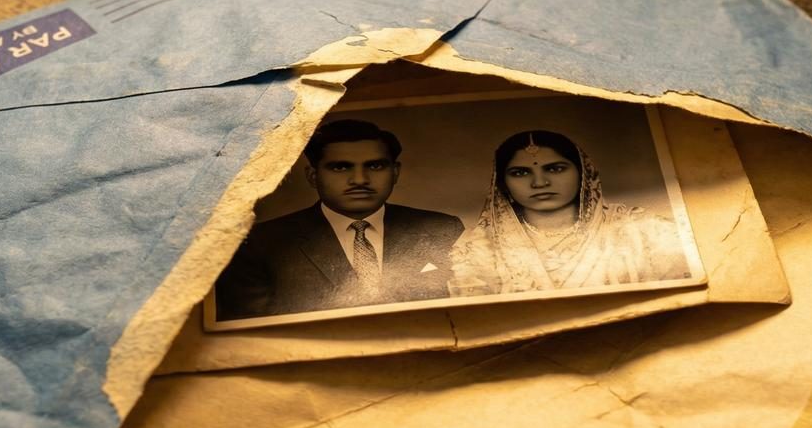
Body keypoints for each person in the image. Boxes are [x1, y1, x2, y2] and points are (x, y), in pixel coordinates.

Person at [214, 119, 465, 320]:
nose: (360, 180)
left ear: (395, 172)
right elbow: (248, 332)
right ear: (312, 176)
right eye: (340, 167)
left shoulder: (442, 229)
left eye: (375, 166)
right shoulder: (260, 243)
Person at [448, 130, 690, 296]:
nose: (539, 182)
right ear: (502, 185)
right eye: (521, 173)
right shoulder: (479, 245)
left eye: (555, 169)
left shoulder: (642, 230)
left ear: (584, 174)